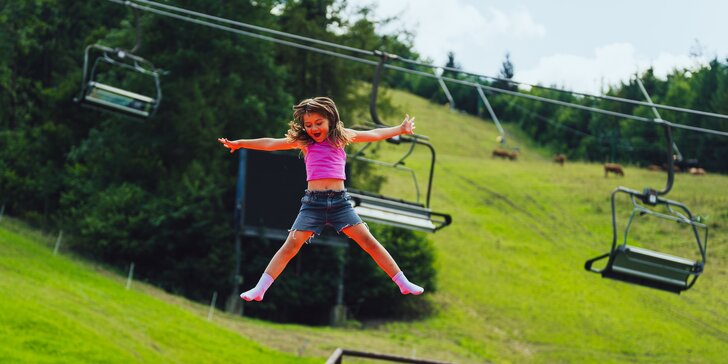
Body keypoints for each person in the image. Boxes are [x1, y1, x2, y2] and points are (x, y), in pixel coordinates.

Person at [218, 96, 424, 302]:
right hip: (313, 203)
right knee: (291, 245)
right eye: (308, 125)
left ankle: (402, 283)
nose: (314, 128)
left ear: (330, 120)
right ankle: (260, 289)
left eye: (319, 123)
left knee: (368, 241)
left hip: (340, 203)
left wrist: (400, 129)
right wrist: (241, 143)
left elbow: (374, 134)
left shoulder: (341, 138)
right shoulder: (304, 142)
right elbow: (271, 143)